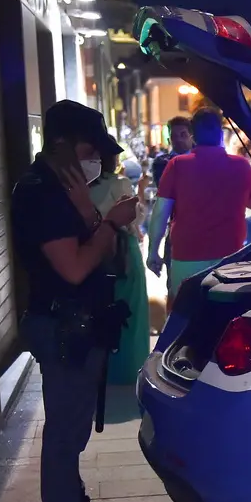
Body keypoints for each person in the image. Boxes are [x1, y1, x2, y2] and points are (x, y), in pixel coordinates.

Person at [10, 100, 137, 502]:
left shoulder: (66, 191)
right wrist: (107, 222)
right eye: (89, 149)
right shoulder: (42, 192)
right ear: (62, 144)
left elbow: (103, 259)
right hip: (63, 328)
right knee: (64, 435)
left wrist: (92, 215)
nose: (96, 161)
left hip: (80, 326)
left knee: (74, 430)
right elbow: (75, 265)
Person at [146, 107, 251, 298]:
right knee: (224, 319)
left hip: (186, 257)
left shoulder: (177, 165)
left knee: (186, 316)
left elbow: (160, 213)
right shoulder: (241, 165)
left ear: (193, 135)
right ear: (220, 133)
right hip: (230, 257)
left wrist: (153, 253)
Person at [91, 159, 152, 384]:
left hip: (95, 249)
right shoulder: (120, 183)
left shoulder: (79, 186)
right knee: (131, 312)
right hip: (124, 250)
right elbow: (137, 216)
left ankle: (106, 368)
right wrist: (142, 190)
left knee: (105, 308)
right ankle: (131, 367)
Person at [151, 115, 192, 187]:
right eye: (174, 136)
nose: (179, 139)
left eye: (183, 135)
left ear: (191, 137)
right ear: (169, 140)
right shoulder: (161, 163)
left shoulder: (200, 159)